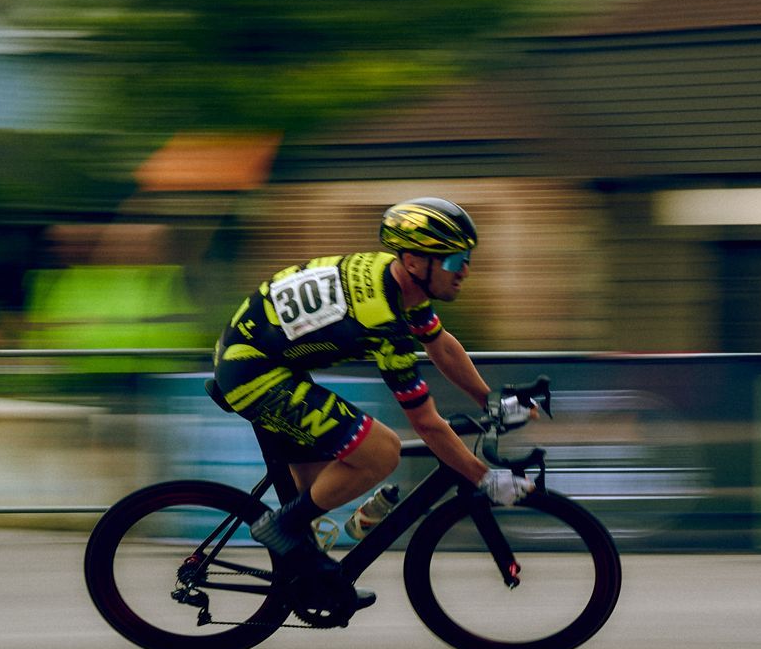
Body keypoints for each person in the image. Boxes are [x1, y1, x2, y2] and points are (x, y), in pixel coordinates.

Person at [212, 197, 535, 580]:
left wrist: (490, 399)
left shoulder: (396, 282)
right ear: (414, 261)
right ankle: (278, 527)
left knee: (319, 496)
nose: (464, 269)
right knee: (381, 452)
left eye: (466, 257)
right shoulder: (382, 318)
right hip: (254, 372)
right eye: (452, 259)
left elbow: (440, 344)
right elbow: (427, 422)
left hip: (268, 359)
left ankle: (305, 571)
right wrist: (482, 477)